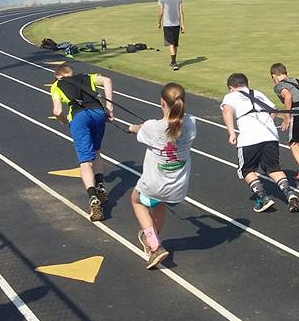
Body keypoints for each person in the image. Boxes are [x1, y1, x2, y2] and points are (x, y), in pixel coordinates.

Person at [125, 83, 196, 269]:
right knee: (160, 204)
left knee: (136, 201)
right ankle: (153, 237)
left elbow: (140, 129)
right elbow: (170, 126)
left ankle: (154, 245)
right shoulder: (191, 122)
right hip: (178, 186)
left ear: (162, 102)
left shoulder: (152, 127)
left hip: (154, 183)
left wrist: (132, 127)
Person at [221, 73, 299, 213]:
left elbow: (227, 111)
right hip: (270, 136)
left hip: (249, 138)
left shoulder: (231, 96)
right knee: (274, 169)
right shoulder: (257, 93)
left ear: (231, 87)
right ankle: (290, 195)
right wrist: (266, 123)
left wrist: (231, 132)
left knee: (247, 170)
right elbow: (274, 111)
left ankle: (264, 198)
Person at [50, 64, 114, 221]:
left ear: (58, 76)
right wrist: (109, 107)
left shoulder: (56, 85)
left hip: (79, 117)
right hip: (98, 112)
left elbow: (57, 111)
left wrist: (64, 121)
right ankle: (100, 185)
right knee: (96, 151)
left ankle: (93, 197)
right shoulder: (87, 77)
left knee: (85, 160)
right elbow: (107, 80)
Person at [158, 0, 185, 71]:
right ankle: (173, 61)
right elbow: (181, 12)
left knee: (171, 43)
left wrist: (159, 22)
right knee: (175, 44)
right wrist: (182, 24)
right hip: (176, 23)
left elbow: (161, 12)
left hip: (167, 24)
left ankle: (174, 62)